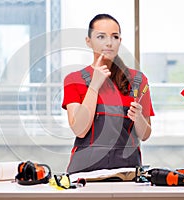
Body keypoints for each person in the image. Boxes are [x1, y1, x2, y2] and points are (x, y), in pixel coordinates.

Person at [62, 14, 155, 174]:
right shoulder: (74, 80)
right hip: (85, 175)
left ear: (120, 41)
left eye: (115, 36)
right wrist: (94, 86)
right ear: (88, 41)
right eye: (101, 36)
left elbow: (145, 134)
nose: (109, 42)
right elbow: (79, 129)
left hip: (128, 172)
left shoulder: (138, 80)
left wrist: (138, 117)